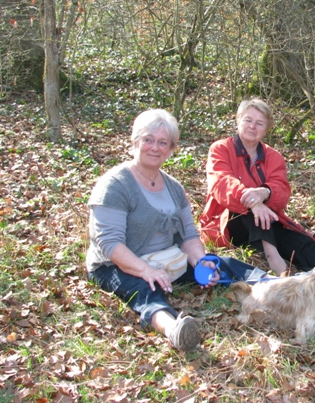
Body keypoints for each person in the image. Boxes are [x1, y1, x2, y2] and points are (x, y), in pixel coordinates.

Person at [86, 109, 269, 352]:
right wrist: (145, 270)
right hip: (115, 265)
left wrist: (201, 262)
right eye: (148, 140)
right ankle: (174, 329)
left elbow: (189, 236)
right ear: (135, 142)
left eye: (163, 143)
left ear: (172, 149)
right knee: (144, 288)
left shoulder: (173, 187)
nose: (155, 148)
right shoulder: (115, 185)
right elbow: (110, 245)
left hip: (165, 259)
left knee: (221, 262)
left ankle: (275, 285)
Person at [199, 98, 315, 280]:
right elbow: (221, 183)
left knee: (298, 242)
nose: (252, 126)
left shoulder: (273, 157)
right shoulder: (220, 149)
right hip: (228, 223)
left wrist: (265, 192)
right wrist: (254, 202)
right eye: (248, 120)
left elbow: (282, 192)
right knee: (255, 213)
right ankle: (276, 263)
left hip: (266, 223)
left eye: (259, 123)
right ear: (238, 121)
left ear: (266, 129)